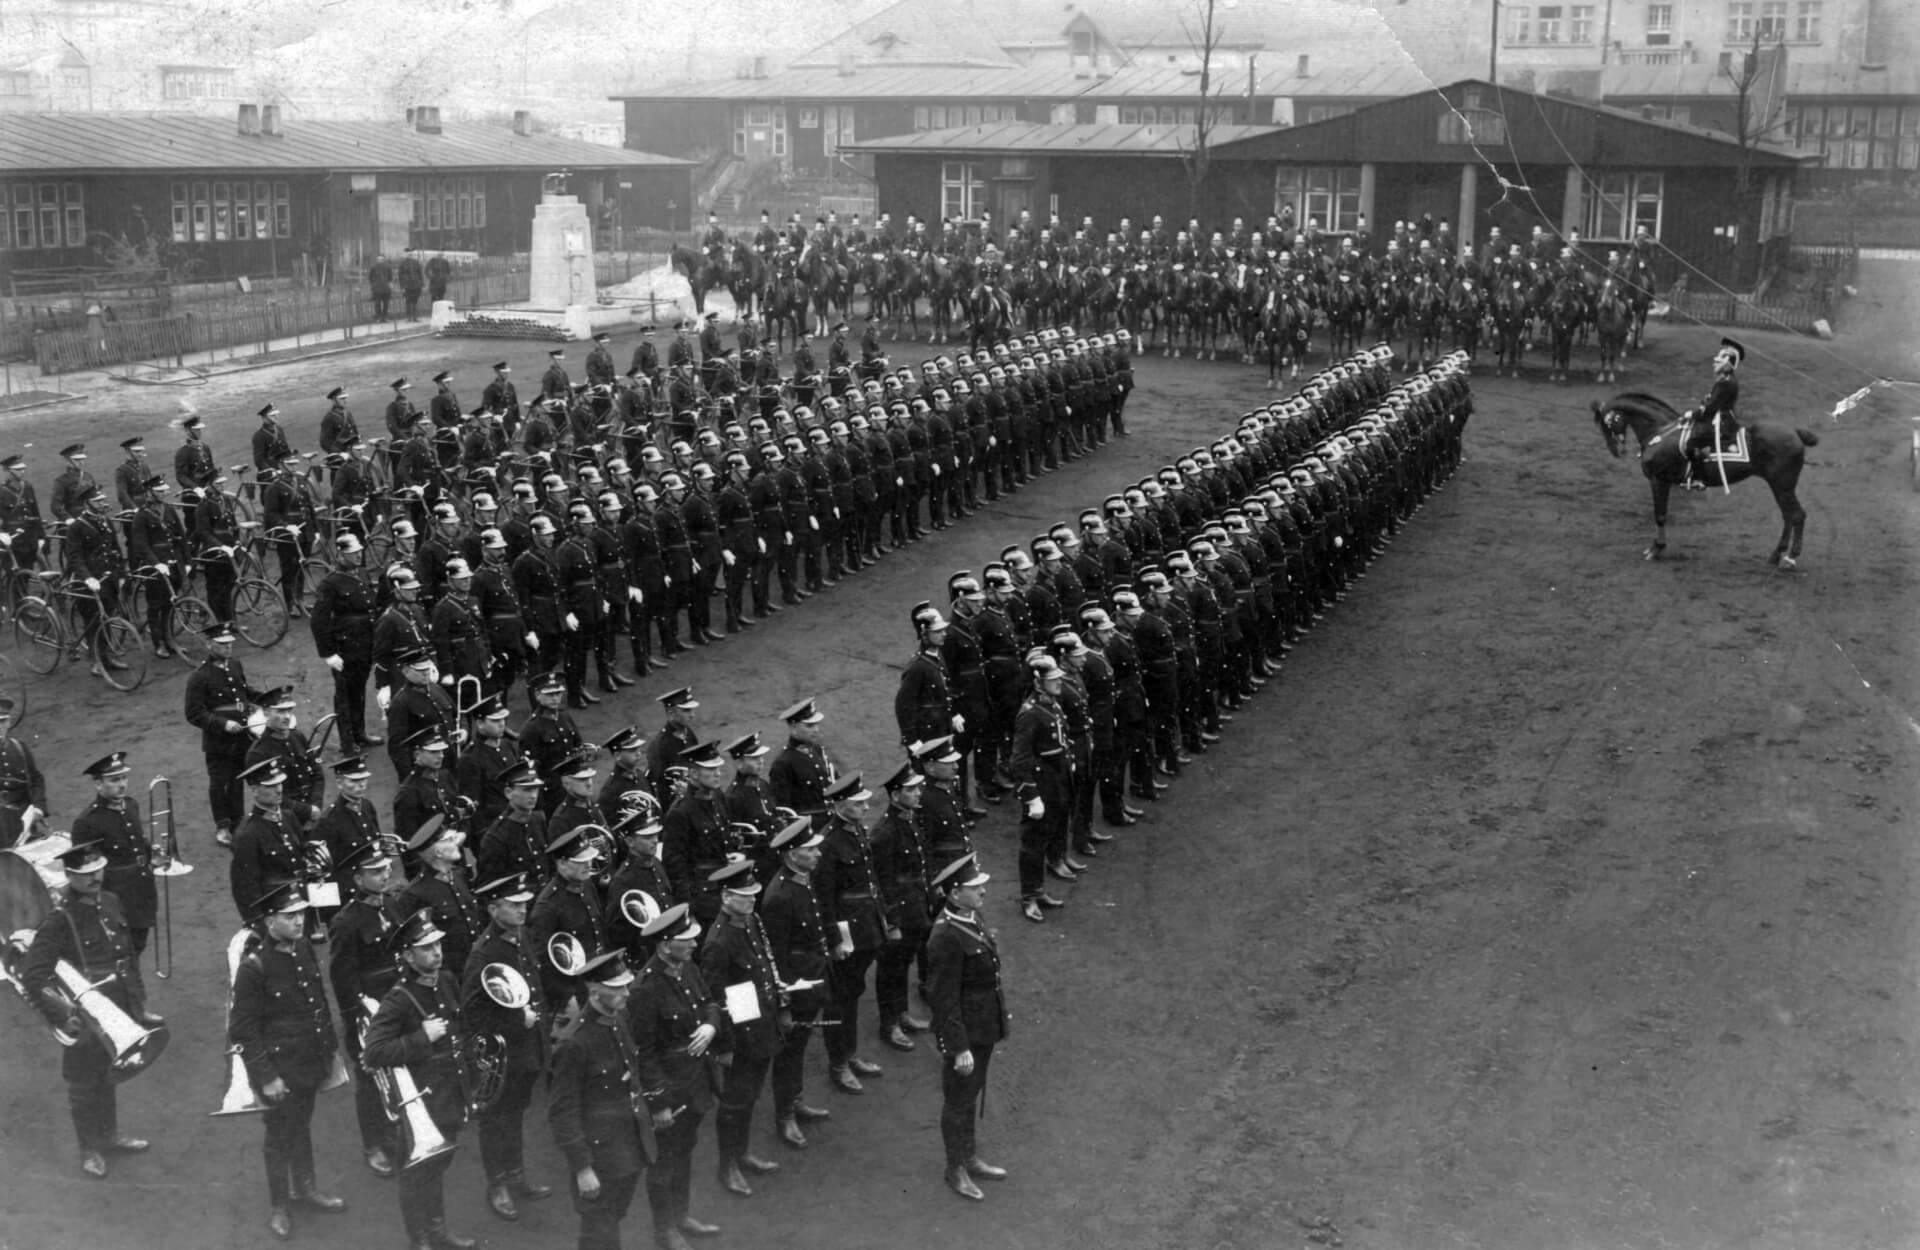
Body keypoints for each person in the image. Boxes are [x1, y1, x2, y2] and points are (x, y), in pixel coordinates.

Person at [20, 840, 164, 1178]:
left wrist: (136, 1004)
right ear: (70, 875)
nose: (95, 877)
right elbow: (34, 975)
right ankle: (90, 1149)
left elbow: (126, 957)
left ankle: (110, 1136)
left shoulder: (112, 902)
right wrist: (63, 1016)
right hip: (83, 1014)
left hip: (117, 1006)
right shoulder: (59, 920)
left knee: (109, 1073)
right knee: (83, 1084)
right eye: (85, 873)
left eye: (98, 869)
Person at [228, 881, 348, 1240]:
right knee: (279, 1136)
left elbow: (318, 1004)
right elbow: (243, 1029)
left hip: (309, 1061)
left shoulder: (302, 952)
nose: (299, 921)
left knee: (301, 1125)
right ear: (268, 921)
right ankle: (280, 1205)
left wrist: (328, 1049)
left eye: (301, 914)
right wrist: (266, 1076)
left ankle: (306, 1188)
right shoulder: (255, 968)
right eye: (289, 916)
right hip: (280, 1070)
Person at [361, 909, 477, 1250]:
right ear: (409, 956)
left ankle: (438, 1231)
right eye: (426, 948)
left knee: (438, 1166)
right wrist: (421, 1038)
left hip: (452, 1090)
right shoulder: (399, 998)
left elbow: (461, 1029)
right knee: (416, 1174)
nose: (437, 953)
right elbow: (374, 1052)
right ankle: (420, 1240)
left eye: (437, 944)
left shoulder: (447, 981)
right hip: (422, 1101)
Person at [461, 872, 554, 1221]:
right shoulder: (484, 953)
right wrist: (518, 1022)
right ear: (492, 908)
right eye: (513, 905)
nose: (521, 910)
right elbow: (471, 1014)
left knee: (515, 1115)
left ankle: (515, 1174)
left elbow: (534, 985)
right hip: (502, 1055)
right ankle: (496, 1183)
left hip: (527, 1050)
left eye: (523, 904)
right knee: (495, 1120)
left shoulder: (519, 937)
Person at [630, 904, 723, 1250]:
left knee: (685, 1152)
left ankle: (681, 1216)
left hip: (695, 1081)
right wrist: (658, 1103)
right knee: (664, 1162)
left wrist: (711, 1025)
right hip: (669, 1089)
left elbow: (711, 1001)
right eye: (687, 940)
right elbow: (643, 1053)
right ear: (665, 944)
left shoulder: (687, 968)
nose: (695, 945)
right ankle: (664, 1230)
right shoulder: (645, 989)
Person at [548, 950, 654, 1250]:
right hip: (599, 1158)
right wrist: (582, 1167)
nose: (626, 992)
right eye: (617, 987)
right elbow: (562, 1112)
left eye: (626, 984)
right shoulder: (574, 1043)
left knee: (614, 1217)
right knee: (599, 1231)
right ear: (594, 990)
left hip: (628, 1147)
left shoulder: (617, 1020)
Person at [697, 859, 786, 1197]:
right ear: (724, 897)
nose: (750, 900)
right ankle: (728, 1165)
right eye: (742, 895)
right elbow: (715, 999)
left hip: (758, 1020)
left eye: (752, 894)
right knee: (734, 1102)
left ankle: (743, 1152)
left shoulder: (748, 923)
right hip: (739, 1031)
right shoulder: (719, 941)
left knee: (749, 1096)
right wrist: (725, 1047)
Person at [924, 854, 1009, 1201]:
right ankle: (955, 1168)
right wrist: (958, 1047)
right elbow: (943, 999)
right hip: (966, 1033)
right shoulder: (945, 936)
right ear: (955, 893)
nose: (983, 891)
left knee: (970, 1094)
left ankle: (969, 1156)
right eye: (975, 887)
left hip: (984, 1023)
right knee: (958, 1101)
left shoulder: (970, 916)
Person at [326, 841, 402, 1178]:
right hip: (369, 1009)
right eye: (375, 872)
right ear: (357, 879)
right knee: (372, 1083)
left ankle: (402, 1135)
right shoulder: (347, 922)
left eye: (386, 869)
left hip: (400, 1002)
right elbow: (343, 978)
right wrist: (358, 1018)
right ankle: (373, 1145)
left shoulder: (393, 906)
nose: (384, 875)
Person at [815, 773, 886, 1094]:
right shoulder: (828, 842)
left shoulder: (855, 830)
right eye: (858, 803)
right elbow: (825, 898)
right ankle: (838, 1063)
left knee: (853, 992)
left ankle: (850, 1053)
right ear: (841, 805)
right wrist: (835, 941)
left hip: (866, 925)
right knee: (838, 999)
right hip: (846, 931)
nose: (865, 807)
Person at [870, 760, 934, 1051]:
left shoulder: (909, 819)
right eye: (911, 790)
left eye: (918, 788)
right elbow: (882, 883)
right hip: (899, 910)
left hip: (916, 904)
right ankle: (889, 1024)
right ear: (895, 796)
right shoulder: (884, 833)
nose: (918, 793)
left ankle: (902, 1013)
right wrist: (891, 921)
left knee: (904, 963)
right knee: (890, 968)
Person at [185, 620, 266, 849]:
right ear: (210, 644)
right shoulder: (200, 676)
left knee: (238, 780)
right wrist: (221, 724)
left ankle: (238, 821)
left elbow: (244, 692)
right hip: (218, 740)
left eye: (230, 643)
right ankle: (222, 825)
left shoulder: (235, 665)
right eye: (222, 644)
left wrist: (267, 700)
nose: (228, 648)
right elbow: (193, 713)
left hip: (241, 735)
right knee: (220, 783)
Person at [70, 752, 155, 956]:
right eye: (114, 780)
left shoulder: (131, 805)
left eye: (124, 778)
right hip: (115, 898)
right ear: (98, 784)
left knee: (138, 944)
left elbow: (136, 844)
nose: (122, 784)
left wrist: (153, 854)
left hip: (141, 891)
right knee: (120, 952)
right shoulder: (87, 823)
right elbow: (85, 873)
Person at [230, 758, 306, 921]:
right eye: (271, 785)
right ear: (254, 789)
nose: (279, 790)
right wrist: (256, 921)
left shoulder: (289, 817)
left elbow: (299, 858)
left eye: (279, 783)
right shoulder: (247, 834)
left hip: (298, 904)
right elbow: (245, 886)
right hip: (273, 913)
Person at [1683, 336, 1746, 489]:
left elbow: (1711, 407)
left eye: (1718, 361)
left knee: (1690, 444)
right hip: (1721, 416)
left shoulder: (1726, 383)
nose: (1714, 363)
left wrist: (1693, 414)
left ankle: (1700, 478)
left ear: (1727, 364)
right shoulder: (1726, 379)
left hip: (1723, 421)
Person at [0, 694, 46, 845]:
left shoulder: (19, 748)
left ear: (9, 722)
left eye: (2, 721)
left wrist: (38, 807)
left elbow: (36, 780)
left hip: (23, 822)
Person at [369, 255, 393, 320]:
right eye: (379, 259)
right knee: (377, 304)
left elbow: (390, 278)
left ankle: (385, 317)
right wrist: (373, 285)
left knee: (386, 304)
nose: (380, 261)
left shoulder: (388, 267)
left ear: (384, 260)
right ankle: (378, 317)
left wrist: (390, 285)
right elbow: (370, 278)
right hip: (377, 289)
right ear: (377, 260)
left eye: (382, 259)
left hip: (386, 288)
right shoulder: (373, 268)